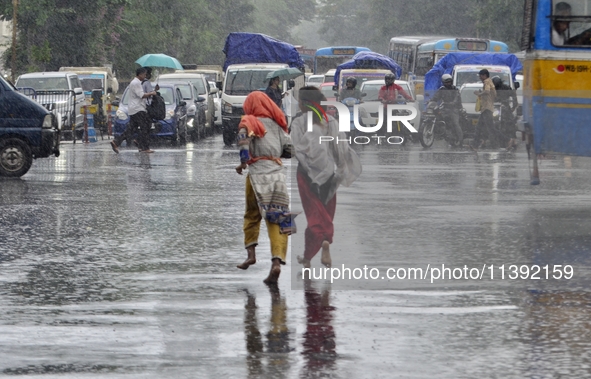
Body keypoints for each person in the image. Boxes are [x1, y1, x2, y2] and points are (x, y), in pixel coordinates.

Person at [290, 86, 362, 269]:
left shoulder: (298, 123)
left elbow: (296, 150)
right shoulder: (330, 122)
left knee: (314, 215)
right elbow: (340, 149)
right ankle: (311, 255)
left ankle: (321, 245)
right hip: (330, 174)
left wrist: (311, 172)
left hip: (307, 175)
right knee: (325, 213)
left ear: (303, 104)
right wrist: (339, 170)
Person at [234, 91, 294, 285]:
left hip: (257, 176)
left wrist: (243, 162)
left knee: (252, 215)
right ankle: (276, 263)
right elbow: (290, 150)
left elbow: (244, 141)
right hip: (278, 176)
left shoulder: (249, 121)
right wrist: (275, 152)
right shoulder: (277, 125)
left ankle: (250, 254)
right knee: (278, 219)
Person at [110, 67, 157, 154]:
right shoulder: (136, 83)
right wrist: (152, 93)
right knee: (145, 127)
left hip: (134, 109)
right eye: (144, 74)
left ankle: (117, 142)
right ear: (140, 74)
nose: (145, 76)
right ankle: (145, 147)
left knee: (131, 129)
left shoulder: (135, 82)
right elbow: (141, 95)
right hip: (138, 109)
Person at [427, 73, 464, 147]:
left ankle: (460, 140)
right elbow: (436, 97)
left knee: (455, 123)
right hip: (444, 108)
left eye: (449, 82)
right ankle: (440, 131)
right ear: (443, 82)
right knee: (437, 116)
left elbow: (457, 99)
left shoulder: (455, 89)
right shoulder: (442, 89)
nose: (448, 83)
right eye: (446, 82)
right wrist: (431, 101)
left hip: (453, 109)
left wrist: (452, 103)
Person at [470, 69, 496, 151]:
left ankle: (507, 140)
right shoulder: (489, 81)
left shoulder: (487, 81)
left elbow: (487, 91)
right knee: (479, 127)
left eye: (481, 76)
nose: (480, 78)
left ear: (484, 75)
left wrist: (479, 94)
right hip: (486, 108)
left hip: (487, 108)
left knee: (491, 128)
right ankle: (475, 145)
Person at [492, 76, 519, 150]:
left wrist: (514, 105)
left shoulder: (506, 88)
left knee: (511, 122)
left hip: (505, 107)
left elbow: (513, 94)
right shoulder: (492, 89)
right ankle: (485, 139)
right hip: (496, 107)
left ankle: (514, 139)